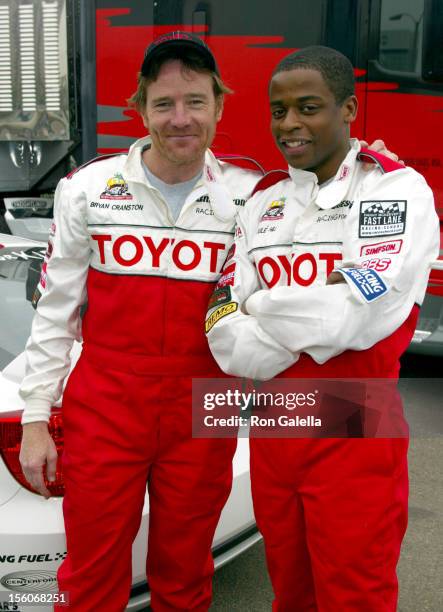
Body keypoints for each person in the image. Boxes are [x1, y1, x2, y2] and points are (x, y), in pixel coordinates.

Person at [18, 30, 397, 611]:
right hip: (107, 403)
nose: (180, 119)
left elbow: (336, 214)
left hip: (207, 405)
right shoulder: (87, 188)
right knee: (91, 572)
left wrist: (371, 169)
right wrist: (37, 418)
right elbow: (54, 312)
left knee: (186, 574)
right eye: (164, 103)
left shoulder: (256, 195)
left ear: (219, 106)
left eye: (196, 102)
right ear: (139, 107)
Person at [206, 46, 439, 611]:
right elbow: (222, 330)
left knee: (354, 596)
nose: (289, 125)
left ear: (349, 109)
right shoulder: (261, 204)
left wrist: (262, 306)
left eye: (308, 107)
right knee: (290, 591)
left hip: (356, 422)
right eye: (278, 110)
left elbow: (357, 315)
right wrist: (298, 309)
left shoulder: (393, 190)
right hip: (273, 428)